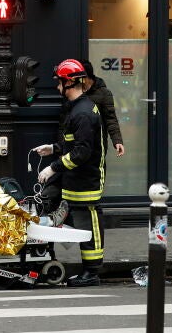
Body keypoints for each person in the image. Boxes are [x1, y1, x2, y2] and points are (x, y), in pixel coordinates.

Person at [33, 59, 105, 287]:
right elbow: (74, 144)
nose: (57, 87)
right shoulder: (78, 108)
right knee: (81, 225)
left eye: (59, 82)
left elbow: (82, 152)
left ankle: (92, 273)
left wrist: (53, 167)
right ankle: (88, 271)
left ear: (70, 83)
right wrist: (53, 148)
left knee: (90, 225)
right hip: (77, 180)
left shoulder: (82, 113)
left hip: (86, 180)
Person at [81, 60, 125, 157]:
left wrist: (117, 141)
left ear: (86, 76)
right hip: (76, 144)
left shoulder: (104, 93)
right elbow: (64, 121)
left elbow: (111, 119)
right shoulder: (72, 91)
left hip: (97, 144)